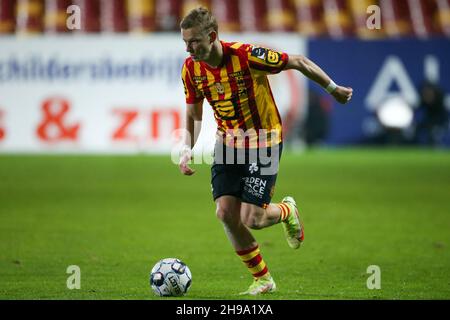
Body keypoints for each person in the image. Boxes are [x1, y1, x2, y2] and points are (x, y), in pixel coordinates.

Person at [178, 7, 352, 295]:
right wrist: (186, 147)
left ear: (212, 36)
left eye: (194, 41)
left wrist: (333, 89)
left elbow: (298, 61)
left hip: (264, 141)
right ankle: (263, 279)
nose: (189, 48)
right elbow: (194, 114)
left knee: (253, 219)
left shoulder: (247, 56)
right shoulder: (191, 69)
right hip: (228, 144)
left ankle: (286, 210)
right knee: (224, 214)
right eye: (185, 42)